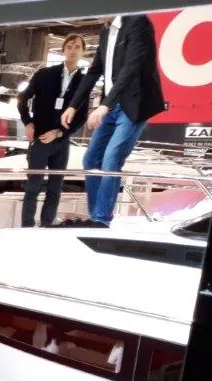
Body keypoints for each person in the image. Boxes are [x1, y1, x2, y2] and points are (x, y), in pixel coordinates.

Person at [60, 14, 166, 227]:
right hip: (110, 104)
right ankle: (95, 217)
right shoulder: (106, 30)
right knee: (91, 160)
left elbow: (132, 67)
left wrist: (105, 105)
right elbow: (95, 70)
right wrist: (73, 105)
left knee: (111, 158)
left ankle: (101, 218)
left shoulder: (138, 22)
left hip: (134, 103)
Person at [17, 34, 88, 228]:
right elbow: (23, 99)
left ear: (83, 51)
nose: (73, 50)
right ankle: (26, 227)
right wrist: (28, 122)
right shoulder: (44, 74)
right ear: (63, 50)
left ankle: (47, 226)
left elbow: (82, 116)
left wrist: (59, 133)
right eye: (69, 46)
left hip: (61, 141)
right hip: (40, 138)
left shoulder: (84, 82)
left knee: (55, 188)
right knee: (33, 187)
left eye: (77, 47)